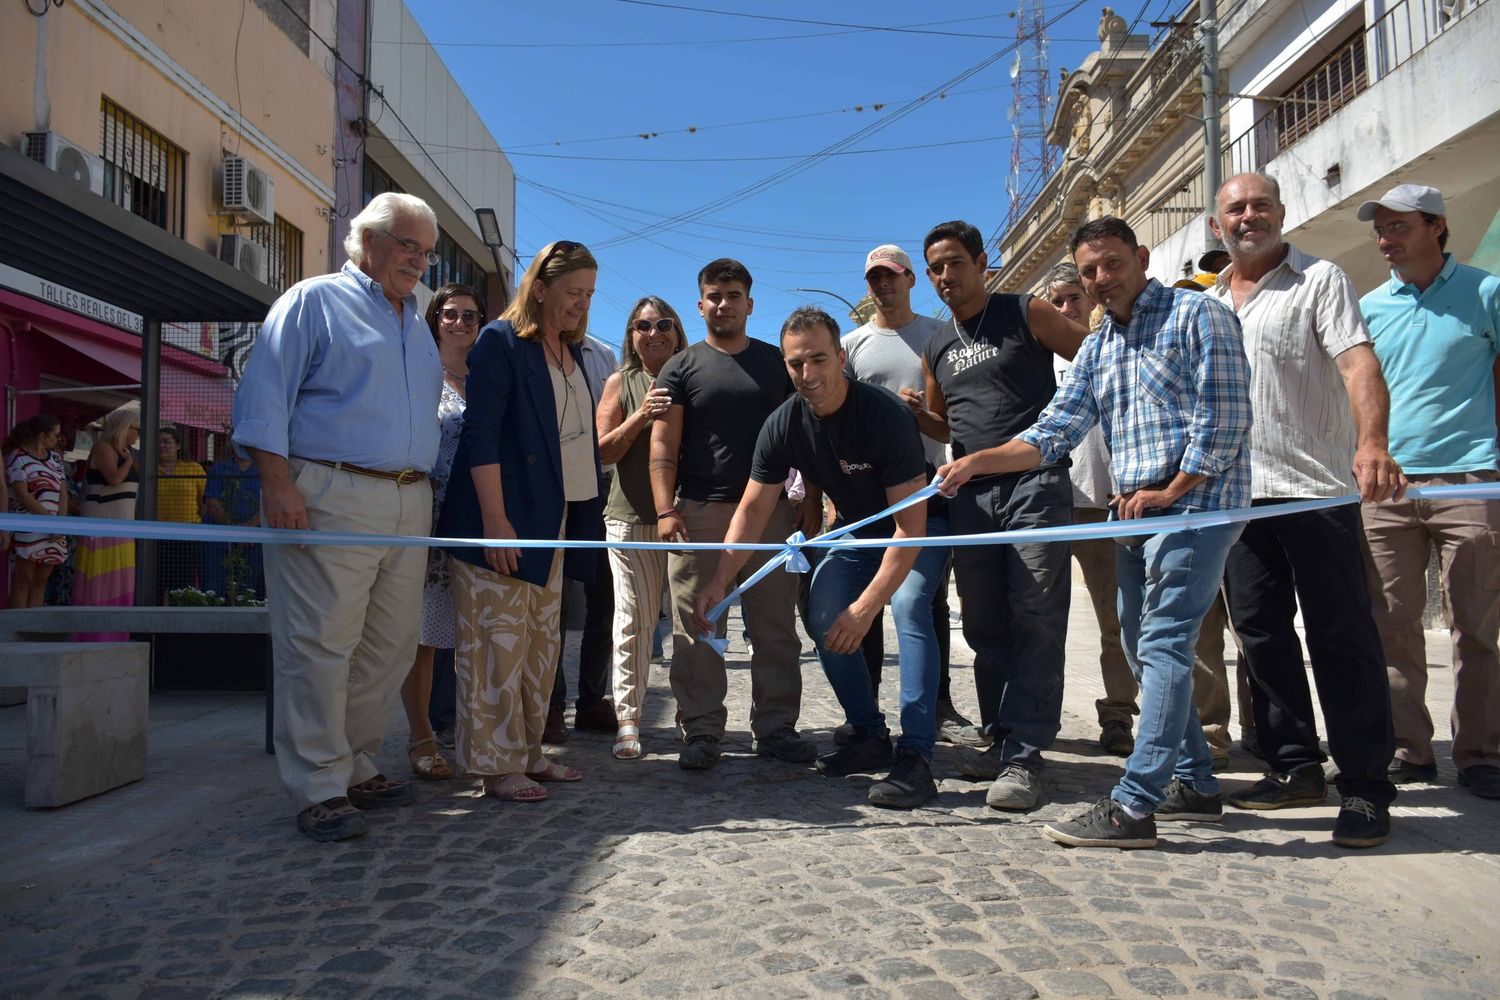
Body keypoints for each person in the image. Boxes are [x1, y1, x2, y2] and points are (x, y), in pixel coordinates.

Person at [947, 216, 1251, 849]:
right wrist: (976, 461)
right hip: (1134, 514)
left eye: (1112, 264)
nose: (1101, 279)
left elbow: (1224, 422)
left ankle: (1134, 805)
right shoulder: (1098, 345)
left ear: (1140, 258)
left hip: (1196, 508)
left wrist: (1170, 492)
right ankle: (1195, 782)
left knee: (1165, 644)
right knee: (1143, 647)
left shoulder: (1198, 316)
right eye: (1089, 271)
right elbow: (1051, 432)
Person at [231, 191, 443, 842]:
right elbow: (264, 395)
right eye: (409, 245)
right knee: (320, 644)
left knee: (391, 644)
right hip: (331, 492)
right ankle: (319, 785)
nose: (418, 262)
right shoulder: (312, 301)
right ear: (369, 240)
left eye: (427, 253)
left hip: (409, 499)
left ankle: (353, 762)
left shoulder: (419, 319)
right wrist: (278, 485)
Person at [1207, 172, 1403, 847]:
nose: (1249, 216)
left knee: (1342, 637)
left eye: (1261, 205)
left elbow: (1357, 365)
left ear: (1282, 215)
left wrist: (1373, 441)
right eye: (1235, 208)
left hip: (1315, 490)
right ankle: (1294, 767)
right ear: (1217, 226)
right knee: (1259, 636)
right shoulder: (1208, 305)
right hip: (1237, 500)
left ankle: (1367, 787)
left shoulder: (1320, 281)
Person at [696, 307, 950, 808]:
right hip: (854, 531)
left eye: (818, 359)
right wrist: (719, 580)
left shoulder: (884, 414)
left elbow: (910, 527)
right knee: (823, 618)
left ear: (840, 357)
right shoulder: (781, 424)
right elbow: (751, 510)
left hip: (920, 525)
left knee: (909, 609)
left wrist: (866, 607)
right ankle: (869, 733)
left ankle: (917, 755)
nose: (808, 375)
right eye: (796, 364)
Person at [917, 220, 1087, 810]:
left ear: (981, 263)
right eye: (936, 268)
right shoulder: (936, 345)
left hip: (1036, 483)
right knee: (984, 623)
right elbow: (946, 425)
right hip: (970, 495)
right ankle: (999, 736)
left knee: (1037, 612)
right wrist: (919, 415)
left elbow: (1091, 358)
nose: (945, 277)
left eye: (955, 263)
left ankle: (1026, 754)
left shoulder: (1027, 311)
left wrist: (1066, 423)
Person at [436, 239, 604, 803]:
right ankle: (495, 763)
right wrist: (494, 521)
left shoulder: (569, 350)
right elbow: (480, 433)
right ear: (539, 289)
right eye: (573, 294)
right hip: (505, 519)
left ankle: (530, 752)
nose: (582, 305)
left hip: (552, 519)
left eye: (589, 295)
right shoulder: (499, 341)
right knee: (494, 646)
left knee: (538, 646)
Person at [1357, 183, 1500, 800]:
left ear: (1437, 227)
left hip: (1472, 478)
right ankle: (1409, 750)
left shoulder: (1486, 292)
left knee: (1477, 625)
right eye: (1381, 231)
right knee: (1390, 623)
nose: (1388, 241)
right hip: (1386, 487)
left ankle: (1481, 754)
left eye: (1399, 228)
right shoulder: (1368, 307)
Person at [651, 258, 819, 771]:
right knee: (697, 628)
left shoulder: (776, 364)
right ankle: (701, 730)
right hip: (700, 513)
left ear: (750, 303)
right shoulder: (680, 366)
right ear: (700, 304)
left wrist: (811, 499)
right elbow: (664, 442)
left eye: (733, 295)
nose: (723, 304)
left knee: (775, 629)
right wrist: (665, 508)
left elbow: (804, 437)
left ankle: (776, 728)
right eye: (713, 295)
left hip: (770, 517)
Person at [840, 244, 978, 748]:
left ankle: (938, 707)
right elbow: (843, 418)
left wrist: (923, 414)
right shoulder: (853, 344)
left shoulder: (939, 336)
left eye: (892, 276)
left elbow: (951, 417)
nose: (884, 285)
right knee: (868, 600)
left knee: (925, 600)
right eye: (875, 278)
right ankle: (868, 711)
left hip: (932, 487)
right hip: (871, 494)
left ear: (911, 280)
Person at [398, 283, 485, 782]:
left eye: (471, 316)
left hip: (477, 518)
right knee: (423, 639)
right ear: (435, 319)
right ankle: (421, 738)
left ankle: (477, 736)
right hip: (425, 518)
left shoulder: (488, 376)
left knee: (473, 636)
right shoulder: (419, 373)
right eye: (451, 314)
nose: (460, 323)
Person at [595, 296, 686, 759]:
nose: (655, 333)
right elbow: (604, 450)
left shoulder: (694, 376)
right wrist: (640, 415)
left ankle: (697, 719)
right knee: (634, 621)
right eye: (643, 325)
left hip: (689, 519)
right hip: (630, 519)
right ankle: (628, 719)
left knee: (692, 623)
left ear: (678, 330)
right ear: (631, 334)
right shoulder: (620, 381)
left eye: (664, 323)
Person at [545, 329, 622, 744]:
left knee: (604, 600)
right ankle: (550, 705)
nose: (577, 303)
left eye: (585, 294)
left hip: (598, 488)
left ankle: (592, 700)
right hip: (550, 488)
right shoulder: (532, 347)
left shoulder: (602, 353)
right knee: (550, 601)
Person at [70, 404, 140, 639]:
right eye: (135, 428)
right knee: (100, 579)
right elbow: (113, 479)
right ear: (123, 427)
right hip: (102, 525)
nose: (137, 434)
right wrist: (129, 463)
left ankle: (117, 632)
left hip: (122, 525)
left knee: (120, 579)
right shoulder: (104, 448)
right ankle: (94, 633)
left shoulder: (125, 451)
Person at [4, 413, 68, 608]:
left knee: (41, 580)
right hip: (30, 525)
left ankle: (34, 627)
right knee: (24, 579)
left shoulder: (55, 459)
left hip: (55, 528)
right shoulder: (17, 457)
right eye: (55, 435)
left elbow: (63, 493)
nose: (58, 439)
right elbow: (22, 494)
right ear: (42, 436)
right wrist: (50, 521)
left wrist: (61, 523)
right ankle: (16, 629)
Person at [201, 444, 264, 601]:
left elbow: (269, 503)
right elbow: (212, 502)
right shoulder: (219, 469)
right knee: (214, 589)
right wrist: (235, 531)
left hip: (253, 542)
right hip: (218, 541)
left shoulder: (264, 470)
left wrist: (248, 530)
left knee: (248, 590)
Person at [154, 425, 206, 601]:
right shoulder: (147, 469)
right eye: (158, 442)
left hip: (187, 534)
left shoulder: (193, 468)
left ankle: (178, 625)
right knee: (155, 582)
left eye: (167, 442)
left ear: (178, 445)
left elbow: (203, 502)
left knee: (182, 583)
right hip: (154, 534)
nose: (162, 445)